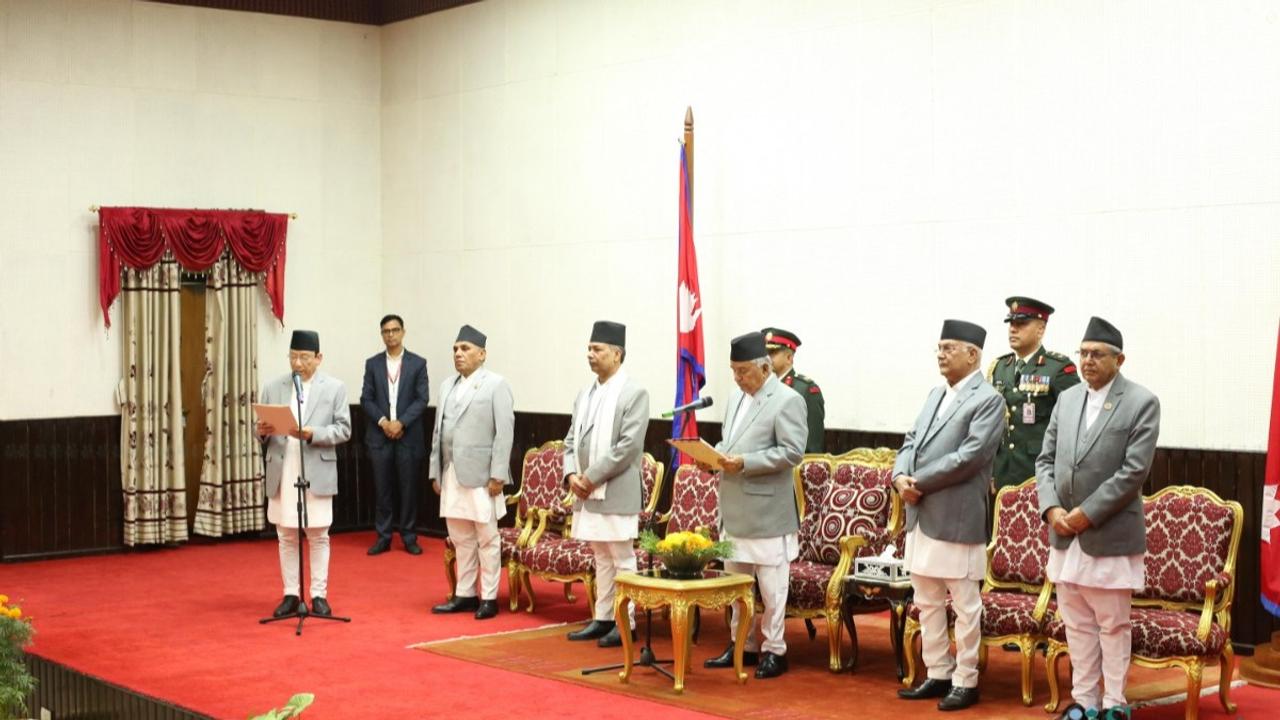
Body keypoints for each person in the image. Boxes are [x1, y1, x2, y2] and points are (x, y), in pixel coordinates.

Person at [1037, 317, 1159, 720]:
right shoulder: (1067, 399)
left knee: (1112, 624)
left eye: (1097, 355)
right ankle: (1085, 701)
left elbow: (1133, 472)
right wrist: (1052, 508)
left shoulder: (1141, 401)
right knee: (1077, 624)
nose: (1087, 361)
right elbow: (1045, 461)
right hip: (1064, 534)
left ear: (1119, 359)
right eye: (1083, 353)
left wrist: (1086, 515)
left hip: (1107, 534)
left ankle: (1114, 704)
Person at [893, 320, 1004, 711]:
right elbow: (910, 441)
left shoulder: (988, 399)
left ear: (972, 354)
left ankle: (966, 678)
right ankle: (938, 671)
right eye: (938, 347)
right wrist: (898, 476)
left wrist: (917, 480)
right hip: (921, 513)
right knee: (926, 598)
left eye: (948, 347)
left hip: (956, 515)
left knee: (965, 603)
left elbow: (970, 457)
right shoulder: (934, 395)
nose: (940, 354)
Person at [703, 331, 807, 679]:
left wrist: (744, 462)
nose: (737, 378)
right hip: (734, 508)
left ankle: (775, 649)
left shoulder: (787, 400)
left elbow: (791, 452)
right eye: (733, 370)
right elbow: (731, 442)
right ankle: (742, 645)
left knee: (772, 589)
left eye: (743, 371)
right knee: (736, 585)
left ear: (764, 368)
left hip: (767, 512)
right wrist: (713, 457)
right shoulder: (735, 398)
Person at [563, 321, 650, 648]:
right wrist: (571, 474)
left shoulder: (634, 393)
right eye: (589, 348)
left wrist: (590, 477)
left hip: (615, 489)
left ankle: (625, 623)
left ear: (617, 354)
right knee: (600, 554)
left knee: (621, 556)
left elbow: (628, 447)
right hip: (586, 491)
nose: (590, 354)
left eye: (597, 349)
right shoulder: (585, 393)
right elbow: (570, 440)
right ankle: (602, 618)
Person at [257, 330, 352, 618]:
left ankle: (319, 594)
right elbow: (260, 429)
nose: (297, 364)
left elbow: (344, 429)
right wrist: (261, 432)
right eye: (293, 356)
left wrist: (314, 433)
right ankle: (291, 593)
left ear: (318, 358)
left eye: (304, 358)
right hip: (283, 468)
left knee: (318, 533)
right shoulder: (273, 387)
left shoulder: (335, 388)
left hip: (316, 466)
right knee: (286, 534)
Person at [429, 325, 515, 620]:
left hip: (482, 475)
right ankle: (465, 593)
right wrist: (436, 472)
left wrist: (498, 475)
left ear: (482, 354)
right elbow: (438, 432)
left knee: (487, 537)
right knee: (460, 536)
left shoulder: (495, 384)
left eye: (465, 348)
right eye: (455, 349)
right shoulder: (446, 386)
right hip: (452, 470)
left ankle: (489, 597)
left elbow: (504, 433)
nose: (458, 354)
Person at [989, 297, 1079, 491]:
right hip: (1004, 472)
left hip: (1040, 474)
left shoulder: (1059, 369)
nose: (1013, 329)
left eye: (1021, 323)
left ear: (1041, 330)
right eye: (1011, 323)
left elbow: (1074, 426)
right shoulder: (999, 368)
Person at [361, 314, 430, 556]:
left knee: (409, 489)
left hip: (408, 436)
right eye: (386, 331)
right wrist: (384, 422)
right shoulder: (372, 364)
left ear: (403, 332)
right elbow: (365, 399)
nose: (390, 335)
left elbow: (422, 399)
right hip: (379, 437)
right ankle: (383, 537)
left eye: (395, 330)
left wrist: (400, 422)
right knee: (382, 490)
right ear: (382, 335)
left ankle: (409, 537)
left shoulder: (418, 363)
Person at [762, 327, 826, 453]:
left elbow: (812, 445)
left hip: (793, 468)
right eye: (765, 354)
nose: (767, 359)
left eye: (772, 354)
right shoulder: (761, 389)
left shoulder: (806, 390)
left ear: (789, 358)